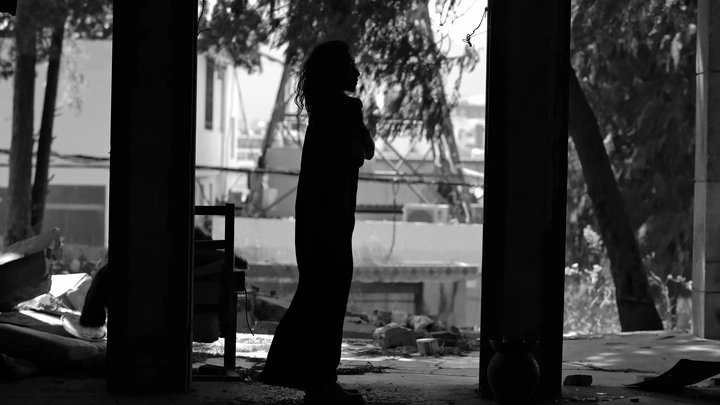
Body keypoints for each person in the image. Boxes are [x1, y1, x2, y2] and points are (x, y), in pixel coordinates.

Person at [257, 40, 374, 405]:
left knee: (315, 296)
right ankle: (321, 382)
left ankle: (310, 379)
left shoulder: (322, 112)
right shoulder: (344, 109)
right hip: (332, 221)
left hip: (314, 219)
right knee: (328, 299)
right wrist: (357, 126)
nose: (357, 72)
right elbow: (362, 152)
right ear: (337, 72)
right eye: (350, 66)